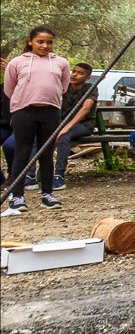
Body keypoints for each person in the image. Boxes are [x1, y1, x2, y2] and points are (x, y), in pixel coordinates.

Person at [2, 27, 71, 211]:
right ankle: (17, 197)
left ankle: (47, 194)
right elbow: (10, 88)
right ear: (30, 41)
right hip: (24, 112)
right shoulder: (17, 62)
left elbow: (63, 87)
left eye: (49, 42)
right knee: (22, 152)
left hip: (50, 112)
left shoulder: (61, 62)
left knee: (46, 153)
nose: (45, 45)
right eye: (40, 41)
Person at [49, 62, 97, 190]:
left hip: (83, 125)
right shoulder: (65, 86)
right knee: (39, 135)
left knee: (63, 137)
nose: (74, 75)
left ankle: (59, 175)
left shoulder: (90, 88)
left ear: (87, 78)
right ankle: (30, 176)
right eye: (74, 71)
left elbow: (85, 109)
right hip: (61, 123)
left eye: (80, 73)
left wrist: (66, 127)